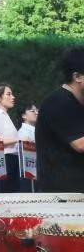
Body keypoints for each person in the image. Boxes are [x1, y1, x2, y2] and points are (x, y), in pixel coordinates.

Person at [34, 46, 84, 192]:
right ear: (77, 77)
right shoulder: (59, 102)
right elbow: (80, 144)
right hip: (61, 193)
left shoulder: (78, 103)